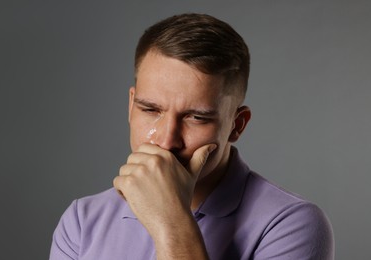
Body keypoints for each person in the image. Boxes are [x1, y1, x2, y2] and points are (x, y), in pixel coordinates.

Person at [49, 13, 334, 259]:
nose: (166, 140)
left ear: (237, 124)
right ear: (130, 106)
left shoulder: (292, 224)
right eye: (150, 109)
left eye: (196, 117)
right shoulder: (82, 221)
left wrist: (171, 221)